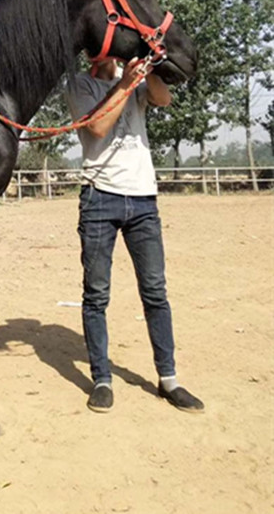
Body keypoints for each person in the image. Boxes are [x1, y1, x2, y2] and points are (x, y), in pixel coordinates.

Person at [66, 56, 204, 414]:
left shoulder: (138, 83)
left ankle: (168, 379)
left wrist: (151, 67)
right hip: (99, 198)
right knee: (96, 294)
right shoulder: (80, 85)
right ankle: (102, 379)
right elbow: (97, 128)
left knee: (155, 291)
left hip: (143, 198)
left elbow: (163, 99)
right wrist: (125, 83)